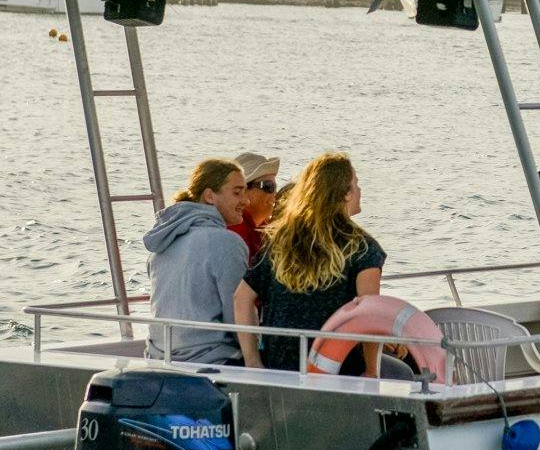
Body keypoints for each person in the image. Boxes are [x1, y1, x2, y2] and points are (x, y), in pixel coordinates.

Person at [233, 152, 386, 373]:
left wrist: (253, 361)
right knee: (403, 372)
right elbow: (369, 314)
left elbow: (241, 298)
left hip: (280, 369)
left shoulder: (281, 241)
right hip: (339, 373)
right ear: (344, 194)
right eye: (356, 184)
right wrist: (372, 370)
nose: (360, 191)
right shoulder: (362, 247)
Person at [144, 158, 250, 365]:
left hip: (158, 358)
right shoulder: (226, 242)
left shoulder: (164, 242)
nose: (246, 201)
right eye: (237, 192)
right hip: (211, 360)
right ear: (209, 196)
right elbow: (237, 314)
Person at [230, 151, 281, 260]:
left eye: (275, 187)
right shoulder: (235, 232)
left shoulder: (263, 229)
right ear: (243, 191)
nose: (274, 193)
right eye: (268, 186)